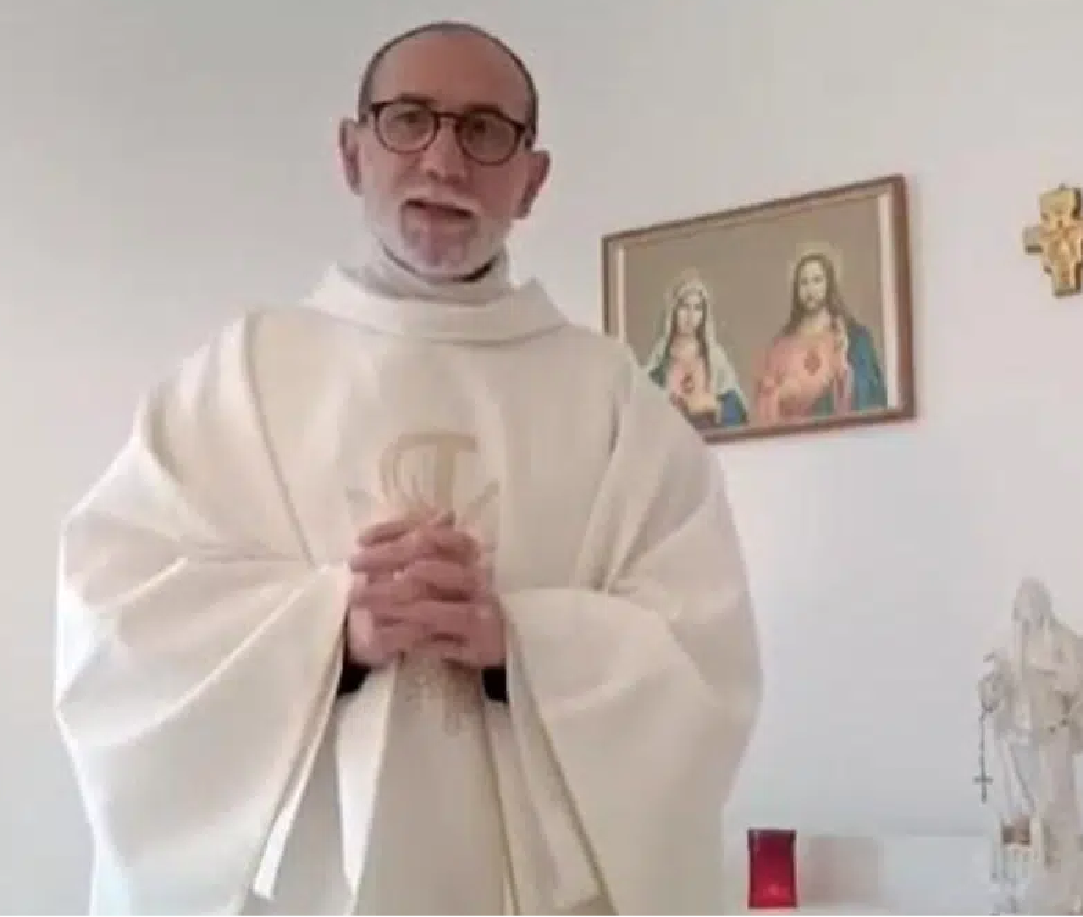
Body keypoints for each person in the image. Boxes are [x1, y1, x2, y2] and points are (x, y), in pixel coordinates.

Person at [52, 20, 763, 916]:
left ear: (531, 179)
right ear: (352, 153)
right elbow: (116, 620)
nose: (443, 159)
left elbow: (704, 660)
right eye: (409, 119)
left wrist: (520, 645)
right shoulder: (241, 376)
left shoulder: (616, 400)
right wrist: (331, 630)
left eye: (484, 130)